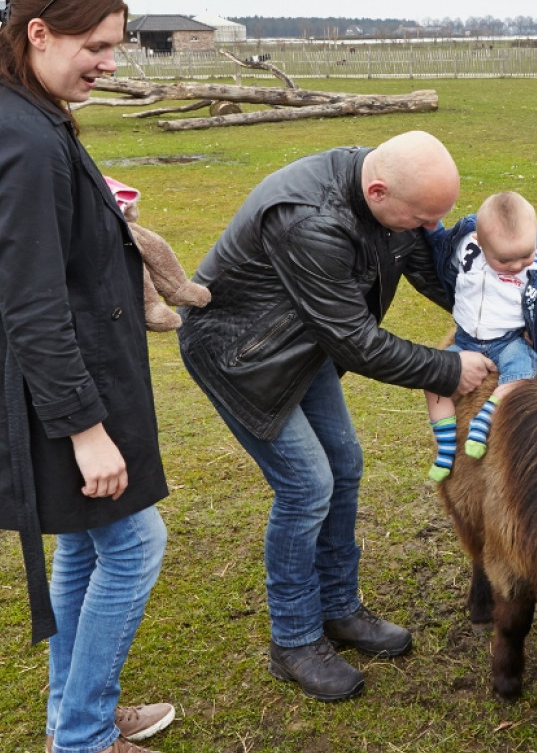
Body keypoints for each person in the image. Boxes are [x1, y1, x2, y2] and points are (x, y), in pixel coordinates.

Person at [0, 0, 185, 753]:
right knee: (136, 542)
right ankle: (80, 743)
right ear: (38, 33)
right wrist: (86, 429)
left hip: (36, 363)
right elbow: (32, 303)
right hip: (35, 376)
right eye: (97, 46)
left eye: (116, 45)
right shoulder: (22, 134)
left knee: (83, 538)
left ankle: (79, 711)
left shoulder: (12, 105)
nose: (111, 61)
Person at [178, 130, 494, 702]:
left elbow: (430, 270)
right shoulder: (309, 221)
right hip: (242, 354)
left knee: (344, 463)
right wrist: (448, 370)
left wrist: (500, 316)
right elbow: (356, 341)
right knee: (307, 485)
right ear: (377, 192)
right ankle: (294, 640)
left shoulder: (389, 199)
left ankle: (339, 608)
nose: (429, 229)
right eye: (422, 217)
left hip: (301, 340)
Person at [422, 191, 537, 481]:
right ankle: (446, 447)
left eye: (525, 254)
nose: (517, 265)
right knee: (434, 380)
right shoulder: (466, 248)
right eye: (506, 260)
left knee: (521, 374)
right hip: (467, 340)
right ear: (480, 243)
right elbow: (440, 246)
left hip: (509, 341)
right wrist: (433, 227)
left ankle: (486, 417)